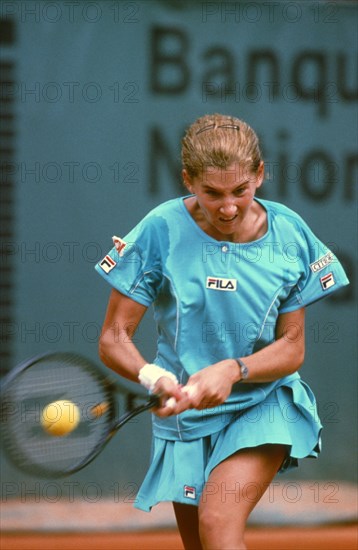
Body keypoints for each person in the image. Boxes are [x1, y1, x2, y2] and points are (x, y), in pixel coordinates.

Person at [95, 113, 349, 550]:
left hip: (264, 401)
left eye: (240, 191)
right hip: (188, 416)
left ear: (260, 175)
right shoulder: (161, 229)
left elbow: (292, 348)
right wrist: (153, 377)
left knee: (217, 524)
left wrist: (232, 370)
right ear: (188, 180)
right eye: (212, 193)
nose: (228, 207)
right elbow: (114, 336)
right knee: (202, 545)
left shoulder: (289, 235)